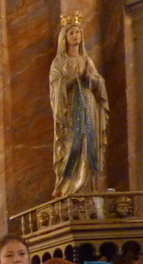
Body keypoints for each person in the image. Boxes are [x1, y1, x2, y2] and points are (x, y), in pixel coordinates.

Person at [50, 14, 108, 197]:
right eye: (71, 33)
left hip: (89, 106)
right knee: (73, 145)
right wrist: (74, 79)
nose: (76, 36)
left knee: (89, 144)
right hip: (70, 108)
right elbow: (55, 86)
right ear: (64, 38)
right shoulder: (59, 62)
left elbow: (99, 84)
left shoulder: (87, 60)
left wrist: (90, 79)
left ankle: (88, 187)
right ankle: (68, 187)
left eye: (78, 32)